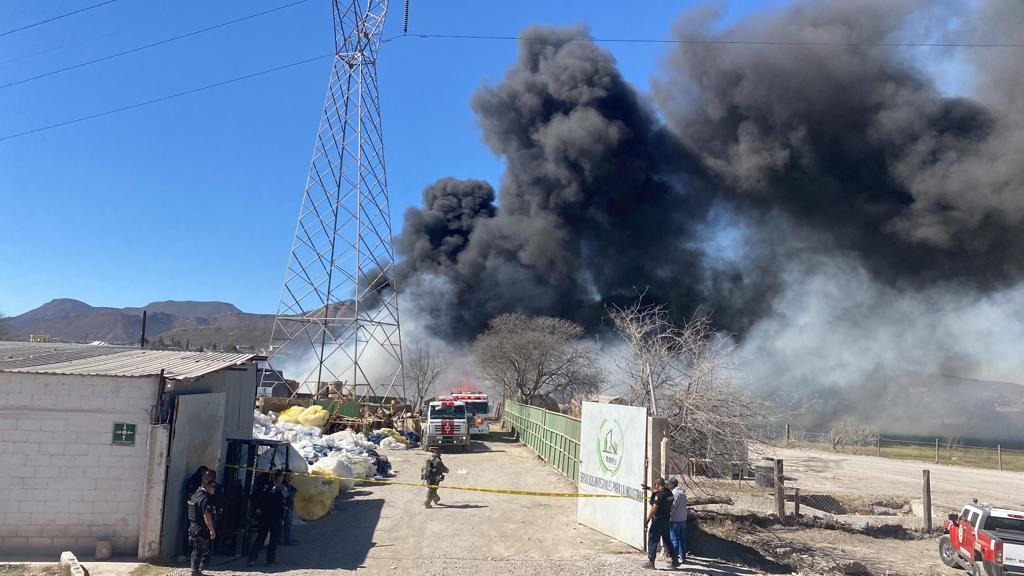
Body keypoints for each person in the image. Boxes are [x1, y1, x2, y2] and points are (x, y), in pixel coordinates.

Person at [248, 470, 287, 566]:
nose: (282, 479)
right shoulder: (265, 487)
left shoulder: (282, 488)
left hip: (276, 516)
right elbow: (253, 496)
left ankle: (270, 560)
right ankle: (252, 559)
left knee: (273, 539)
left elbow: (286, 501)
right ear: (277, 477)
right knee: (261, 537)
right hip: (265, 516)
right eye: (281, 477)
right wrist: (257, 508)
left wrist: (285, 507)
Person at [643, 477, 680, 570]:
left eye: (655, 485)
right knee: (668, 540)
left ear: (657, 484)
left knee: (652, 539)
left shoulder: (659, 495)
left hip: (658, 520)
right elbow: (659, 492)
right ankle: (675, 560)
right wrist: (649, 488)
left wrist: (647, 520)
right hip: (666, 520)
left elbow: (654, 508)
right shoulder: (669, 493)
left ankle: (651, 562)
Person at [187, 478, 218, 576]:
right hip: (201, 528)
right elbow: (206, 515)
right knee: (199, 550)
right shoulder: (205, 498)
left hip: (193, 526)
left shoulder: (197, 494)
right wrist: (212, 530)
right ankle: (194, 572)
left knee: (197, 550)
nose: (214, 489)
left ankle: (195, 570)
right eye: (213, 487)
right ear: (207, 486)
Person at [667, 477, 688, 564]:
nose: (668, 485)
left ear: (672, 484)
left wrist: (668, 514)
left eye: (669, 484)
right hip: (683, 519)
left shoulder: (675, 493)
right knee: (682, 539)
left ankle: (674, 558)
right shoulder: (683, 493)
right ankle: (683, 556)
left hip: (675, 519)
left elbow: (673, 507)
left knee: (674, 539)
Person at [281, 470, 299, 546]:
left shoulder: (288, 485)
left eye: (291, 476)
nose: (290, 478)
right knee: (287, 524)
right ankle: (287, 540)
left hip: (287, 507)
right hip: (285, 507)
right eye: (288, 476)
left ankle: (286, 538)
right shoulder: (284, 485)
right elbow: (286, 496)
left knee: (287, 524)